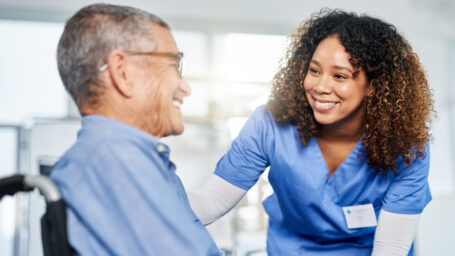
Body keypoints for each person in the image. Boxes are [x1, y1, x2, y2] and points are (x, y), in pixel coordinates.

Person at [189, 9, 434, 256]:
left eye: (340, 76)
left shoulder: (407, 147)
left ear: (373, 86)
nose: (320, 86)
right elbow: (213, 200)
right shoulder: (270, 124)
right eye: (314, 71)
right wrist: (155, 202)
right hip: (293, 250)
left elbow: (390, 248)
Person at [50, 4, 220, 255]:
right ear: (123, 72)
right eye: (174, 65)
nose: (185, 88)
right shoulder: (113, 161)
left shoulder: (132, 161)